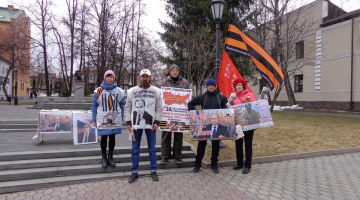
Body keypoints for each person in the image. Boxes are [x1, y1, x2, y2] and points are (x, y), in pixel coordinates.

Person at [125, 69, 162, 183]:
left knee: (152, 149)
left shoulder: (156, 91)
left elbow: (158, 108)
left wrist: (156, 121)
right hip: (136, 125)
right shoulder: (132, 91)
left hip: (150, 124)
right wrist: (128, 122)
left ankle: (153, 171)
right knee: (135, 149)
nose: (145, 78)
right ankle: (134, 172)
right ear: (140, 77)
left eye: (147, 76)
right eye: (143, 76)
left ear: (150, 77)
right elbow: (128, 107)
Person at [187, 78, 227, 174]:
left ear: (215, 86)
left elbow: (225, 110)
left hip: (216, 124)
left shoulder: (221, 97)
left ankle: (214, 165)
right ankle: (197, 164)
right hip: (205, 125)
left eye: (212, 85)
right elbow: (190, 104)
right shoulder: (202, 97)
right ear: (207, 86)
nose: (210, 87)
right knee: (201, 145)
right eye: (209, 85)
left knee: (215, 146)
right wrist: (195, 115)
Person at [92, 70, 125, 168]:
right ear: (104, 78)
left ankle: (111, 156)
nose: (109, 78)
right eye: (107, 77)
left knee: (112, 137)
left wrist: (121, 116)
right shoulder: (98, 90)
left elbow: (122, 105)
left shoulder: (119, 91)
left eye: (111, 77)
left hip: (115, 117)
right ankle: (104, 157)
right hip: (103, 117)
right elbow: (94, 105)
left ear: (114, 78)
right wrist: (94, 119)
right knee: (104, 137)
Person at [160, 64, 190, 165]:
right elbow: (161, 97)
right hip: (167, 114)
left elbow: (188, 97)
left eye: (177, 70)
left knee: (178, 136)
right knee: (166, 135)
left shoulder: (185, 82)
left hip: (180, 115)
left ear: (179, 71)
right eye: (173, 70)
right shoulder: (164, 82)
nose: (175, 72)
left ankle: (178, 156)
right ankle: (165, 156)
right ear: (171, 71)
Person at [227, 78, 257, 174]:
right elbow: (230, 110)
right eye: (237, 85)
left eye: (240, 85)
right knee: (238, 144)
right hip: (238, 125)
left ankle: (247, 165)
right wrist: (228, 105)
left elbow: (255, 107)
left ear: (243, 86)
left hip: (248, 124)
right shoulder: (233, 97)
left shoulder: (250, 95)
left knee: (248, 144)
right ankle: (239, 163)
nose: (238, 86)